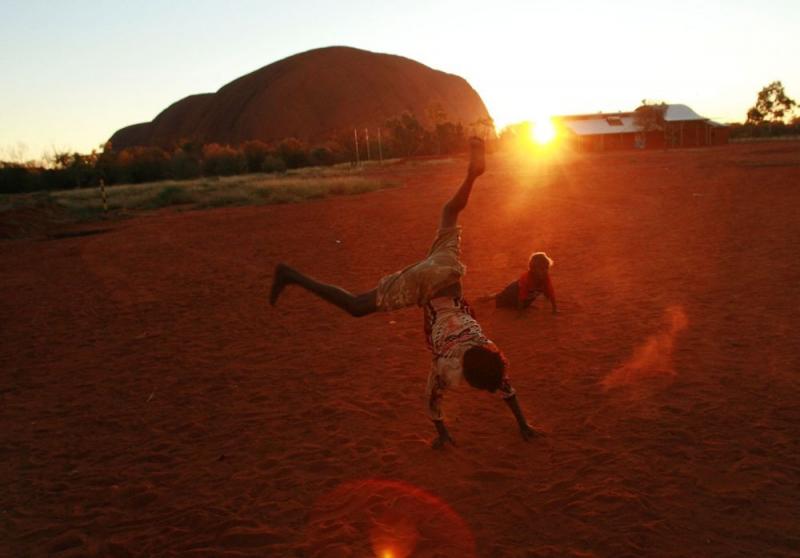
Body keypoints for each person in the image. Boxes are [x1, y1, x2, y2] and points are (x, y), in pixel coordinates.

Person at [269, 138, 542, 449]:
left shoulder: (487, 347)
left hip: (448, 271)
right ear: (468, 374)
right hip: (426, 286)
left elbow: (502, 380)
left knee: (449, 213)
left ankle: (472, 175)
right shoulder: (450, 365)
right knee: (356, 306)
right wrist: (443, 433)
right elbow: (434, 394)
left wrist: (522, 423)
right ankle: (290, 275)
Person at [484, 252, 558, 312]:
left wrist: (554, 309)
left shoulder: (545, 277)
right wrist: (520, 313)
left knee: (525, 300)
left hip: (523, 292)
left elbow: (551, 292)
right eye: (542, 269)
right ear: (533, 269)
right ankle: (489, 297)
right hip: (513, 290)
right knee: (503, 301)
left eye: (546, 268)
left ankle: (492, 296)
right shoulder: (527, 279)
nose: (545, 271)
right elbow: (521, 296)